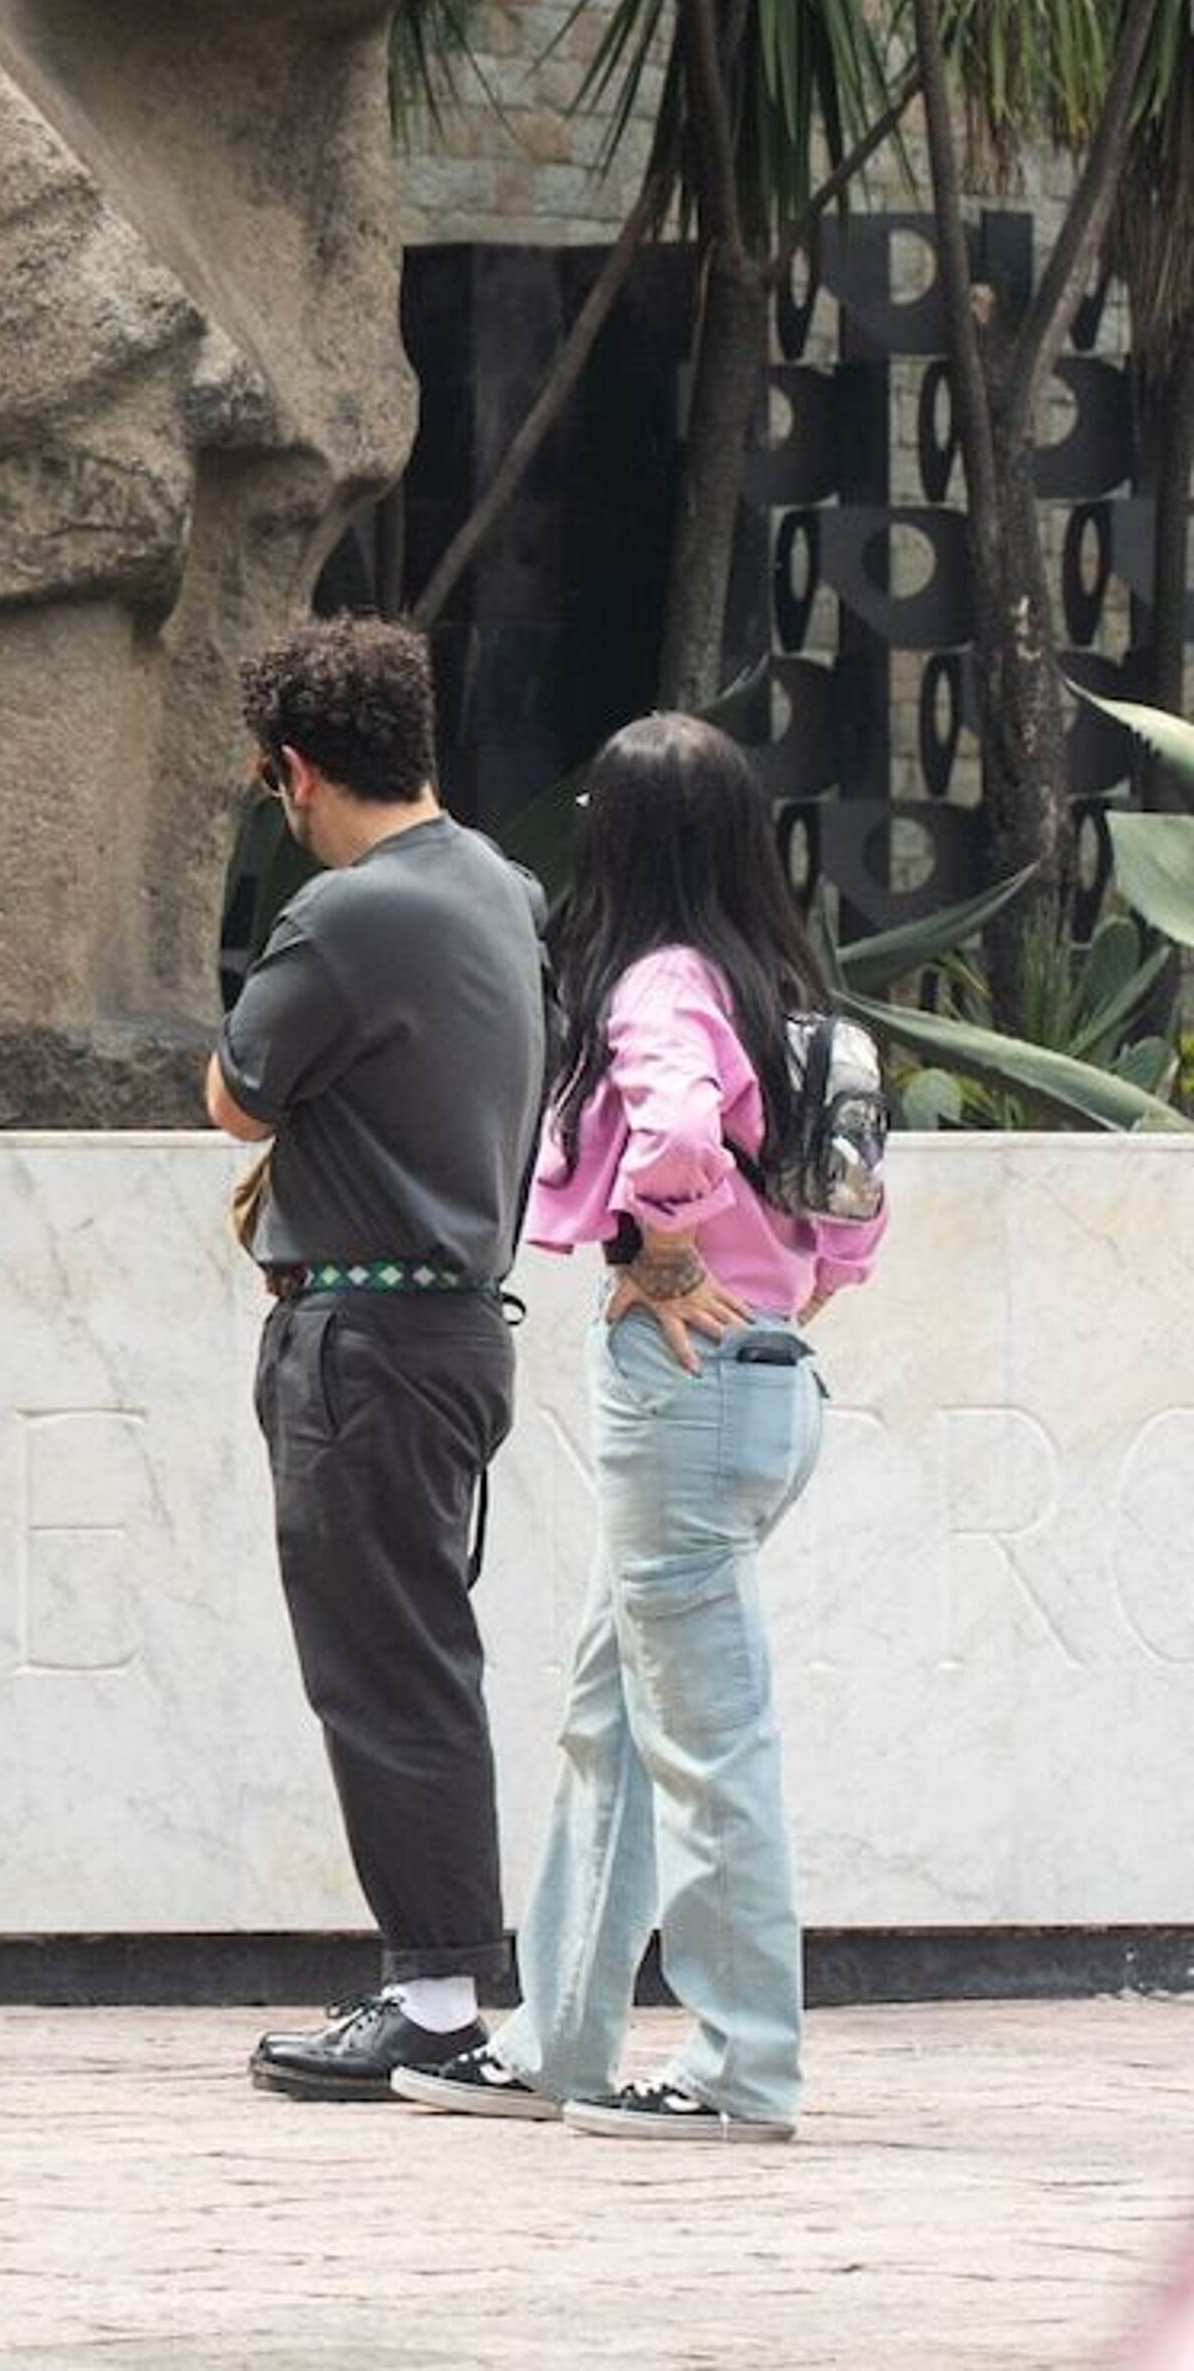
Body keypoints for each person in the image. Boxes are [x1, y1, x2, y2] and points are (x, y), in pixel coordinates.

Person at [416, 711, 885, 2140]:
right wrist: (761, 1283)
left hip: (682, 1392)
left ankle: (743, 2071)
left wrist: (659, 1246)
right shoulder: (774, 984)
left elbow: (674, 1135)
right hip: (766, 1382)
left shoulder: (662, 982)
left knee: (706, 1743)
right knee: (614, 1722)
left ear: (614, 838)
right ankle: (559, 2036)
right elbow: (847, 1209)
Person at [208, 611, 545, 2107]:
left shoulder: (343, 915)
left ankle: (436, 1998)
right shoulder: (502, 885)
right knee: (422, 1658)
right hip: (453, 1325)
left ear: (292, 770)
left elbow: (234, 1093)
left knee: (381, 1670)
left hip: (363, 1337)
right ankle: (447, 1977)